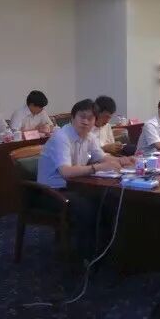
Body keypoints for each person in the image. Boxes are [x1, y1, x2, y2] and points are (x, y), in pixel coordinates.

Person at [37, 99, 131, 258]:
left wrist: (123, 161)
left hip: (74, 186)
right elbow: (66, 172)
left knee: (110, 200)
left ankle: (107, 250)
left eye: (90, 118)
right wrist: (96, 168)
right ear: (73, 117)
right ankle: (86, 257)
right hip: (51, 191)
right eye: (82, 117)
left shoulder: (89, 136)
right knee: (88, 207)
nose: (86, 121)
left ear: (95, 120)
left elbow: (102, 157)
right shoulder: (61, 137)